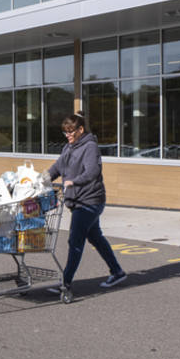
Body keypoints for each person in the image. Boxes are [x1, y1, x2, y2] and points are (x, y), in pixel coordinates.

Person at [45, 113, 126, 293]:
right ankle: (117, 271)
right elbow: (58, 167)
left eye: (71, 131)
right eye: (65, 132)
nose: (68, 135)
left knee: (75, 240)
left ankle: (65, 283)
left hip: (90, 201)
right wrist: (41, 178)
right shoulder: (68, 147)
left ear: (80, 130)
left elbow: (92, 171)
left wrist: (74, 181)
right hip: (77, 201)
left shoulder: (90, 147)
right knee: (95, 236)